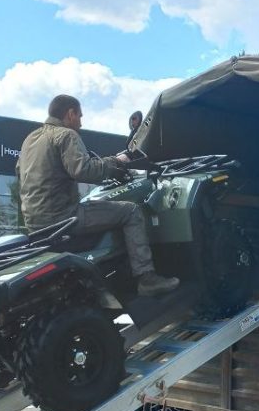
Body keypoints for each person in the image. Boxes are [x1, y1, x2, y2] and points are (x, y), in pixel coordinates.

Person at [17, 94, 178, 297]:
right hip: (64, 216)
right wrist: (117, 163)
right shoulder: (66, 135)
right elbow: (84, 170)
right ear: (70, 113)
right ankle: (146, 278)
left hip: (35, 224)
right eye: (80, 116)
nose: (81, 123)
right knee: (131, 211)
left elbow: (19, 174)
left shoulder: (29, 140)